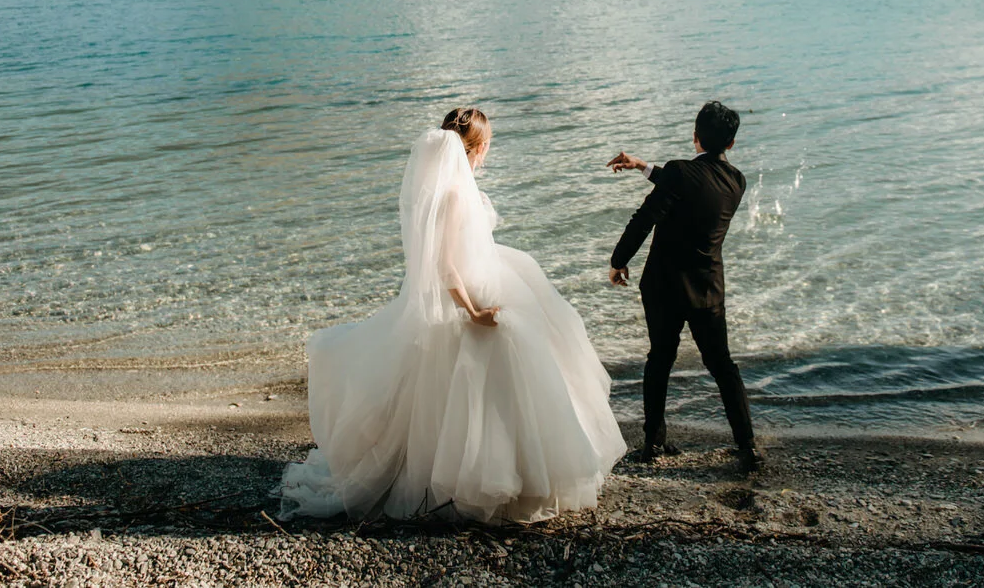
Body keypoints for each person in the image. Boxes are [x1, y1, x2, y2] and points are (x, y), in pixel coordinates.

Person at [277, 107, 626, 523]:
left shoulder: (446, 190)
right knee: (494, 377)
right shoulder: (457, 195)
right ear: (476, 148)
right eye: (487, 146)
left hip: (482, 282)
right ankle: (496, 480)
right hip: (469, 297)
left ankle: (505, 475)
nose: (486, 154)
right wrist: (474, 312)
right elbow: (446, 267)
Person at [608, 100, 761, 472]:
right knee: (722, 364)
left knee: (660, 359)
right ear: (732, 145)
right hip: (707, 290)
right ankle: (747, 445)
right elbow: (694, 185)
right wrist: (643, 166)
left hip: (663, 286)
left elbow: (645, 219)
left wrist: (618, 260)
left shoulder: (679, 173)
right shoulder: (737, 182)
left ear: (695, 136)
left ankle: (652, 444)